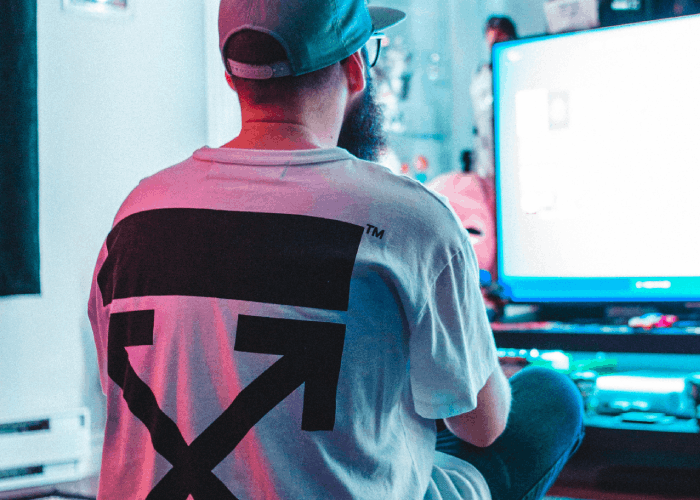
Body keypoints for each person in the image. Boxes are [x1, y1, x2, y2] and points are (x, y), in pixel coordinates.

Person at [86, 1, 584, 499]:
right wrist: (481, 363)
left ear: (233, 77)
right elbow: (482, 428)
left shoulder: (136, 215)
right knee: (550, 396)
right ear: (356, 66)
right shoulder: (413, 218)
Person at [470, 16, 518, 179]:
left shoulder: (516, 69)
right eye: (491, 37)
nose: (493, 41)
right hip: (485, 158)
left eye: (500, 36)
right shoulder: (481, 75)